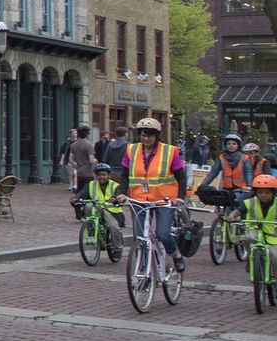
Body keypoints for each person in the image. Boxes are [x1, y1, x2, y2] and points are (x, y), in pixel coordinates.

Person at [116, 117, 188, 273]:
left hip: (164, 200)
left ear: (157, 136)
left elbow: (181, 176)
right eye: (142, 135)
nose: (146, 138)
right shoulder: (132, 150)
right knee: (139, 236)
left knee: (163, 233)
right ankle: (143, 269)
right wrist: (122, 193)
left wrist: (180, 197)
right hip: (139, 199)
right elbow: (124, 174)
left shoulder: (169, 151)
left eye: (149, 135)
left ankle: (175, 254)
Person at [75, 161, 126, 257]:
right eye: (99, 175)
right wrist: (76, 198)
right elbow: (82, 193)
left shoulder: (114, 185)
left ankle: (117, 247)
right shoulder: (91, 185)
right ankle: (91, 227)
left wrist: (115, 199)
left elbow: (119, 195)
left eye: (104, 175)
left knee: (113, 227)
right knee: (88, 205)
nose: (101, 177)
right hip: (97, 209)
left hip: (111, 211)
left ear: (108, 175)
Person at [197, 132, 253, 211]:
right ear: (225, 145)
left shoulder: (245, 158)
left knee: (241, 209)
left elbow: (248, 172)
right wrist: (203, 184)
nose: (231, 146)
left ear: (238, 145)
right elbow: (213, 173)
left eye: (234, 144)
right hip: (227, 189)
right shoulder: (221, 157)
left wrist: (249, 185)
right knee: (226, 209)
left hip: (241, 189)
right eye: (229, 144)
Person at [66, 125, 97, 200]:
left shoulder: (73, 145)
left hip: (79, 171)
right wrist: (96, 161)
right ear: (87, 134)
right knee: (88, 192)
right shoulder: (89, 145)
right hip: (88, 172)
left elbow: (70, 159)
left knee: (80, 192)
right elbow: (91, 160)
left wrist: (76, 167)